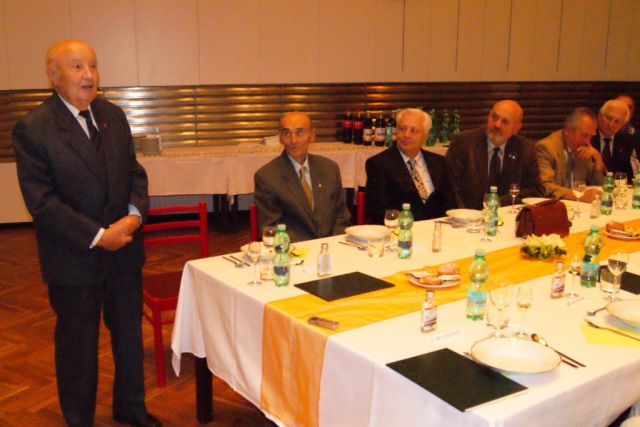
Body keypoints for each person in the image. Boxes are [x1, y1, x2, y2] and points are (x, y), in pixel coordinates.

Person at [13, 40, 160, 427]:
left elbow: (135, 174)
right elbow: (42, 201)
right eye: (77, 67)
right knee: (78, 345)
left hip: (124, 249)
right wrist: (97, 235)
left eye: (92, 66)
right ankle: (79, 419)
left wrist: (133, 217)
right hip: (74, 257)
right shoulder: (34, 128)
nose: (88, 75)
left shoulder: (113, 115)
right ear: (53, 75)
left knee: (128, 335)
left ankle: (131, 407)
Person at [254, 111, 351, 242]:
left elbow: (341, 216)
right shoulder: (267, 177)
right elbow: (271, 229)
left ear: (312, 135)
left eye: (299, 132)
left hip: (331, 247)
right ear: (280, 138)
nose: (293, 140)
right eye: (287, 133)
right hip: (293, 248)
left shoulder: (330, 169)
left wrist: (333, 244)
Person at [445, 100, 542, 209]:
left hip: (507, 215)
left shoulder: (525, 148)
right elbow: (449, 188)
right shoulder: (463, 143)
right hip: (468, 215)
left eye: (505, 121)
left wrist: (498, 203)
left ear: (516, 128)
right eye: (494, 117)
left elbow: (535, 190)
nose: (497, 124)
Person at [365, 108, 453, 224]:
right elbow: (378, 212)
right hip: (400, 229)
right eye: (402, 129)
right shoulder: (379, 164)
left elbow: (450, 204)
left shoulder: (439, 162)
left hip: (438, 228)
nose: (406, 135)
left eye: (413, 130)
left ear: (425, 136)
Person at [536, 107, 604, 201]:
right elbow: (545, 186)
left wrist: (598, 159)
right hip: (555, 205)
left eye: (591, 136)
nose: (588, 141)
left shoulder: (584, 148)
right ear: (567, 131)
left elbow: (597, 185)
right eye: (584, 135)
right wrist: (579, 195)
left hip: (577, 206)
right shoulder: (546, 148)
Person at [590, 99, 635, 182]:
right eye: (609, 118)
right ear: (599, 115)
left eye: (617, 121)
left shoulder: (627, 141)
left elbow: (628, 177)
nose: (611, 124)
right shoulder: (587, 137)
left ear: (623, 125)